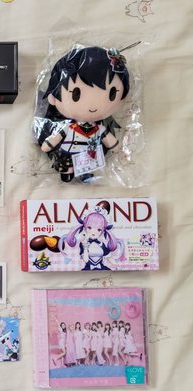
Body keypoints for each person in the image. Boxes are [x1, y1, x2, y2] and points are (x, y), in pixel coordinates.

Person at [36, 46, 130, 182]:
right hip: (68, 151)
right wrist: (49, 144)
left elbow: (110, 141)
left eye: (111, 94)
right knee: (66, 163)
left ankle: (85, 174)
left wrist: (115, 147)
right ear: (53, 97)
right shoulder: (69, 127)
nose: (92, 105)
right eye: (76, 94)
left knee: (87, 163)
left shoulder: (99, 129)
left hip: (87, 155)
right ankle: (67, 172)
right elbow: (56, 137)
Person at [60, 209, 125, 271]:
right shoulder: (83, 243)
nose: (93, 232)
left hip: (102, 269)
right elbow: (85, 260)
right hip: (88, 269)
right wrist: (85, 247)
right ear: (85, 228)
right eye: (89, 228)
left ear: (103, 231)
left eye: (99, 230)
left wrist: (117, 265)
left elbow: (108, 257)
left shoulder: (101, 244)